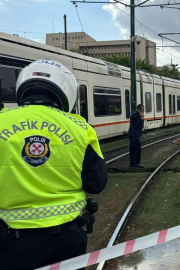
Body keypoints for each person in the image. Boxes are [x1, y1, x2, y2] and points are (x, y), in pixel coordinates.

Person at [0, 59, 108, 269]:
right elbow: (96, 183)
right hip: (68, 238)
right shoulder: (80, 127)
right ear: (66, 91)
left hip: (11, 242)